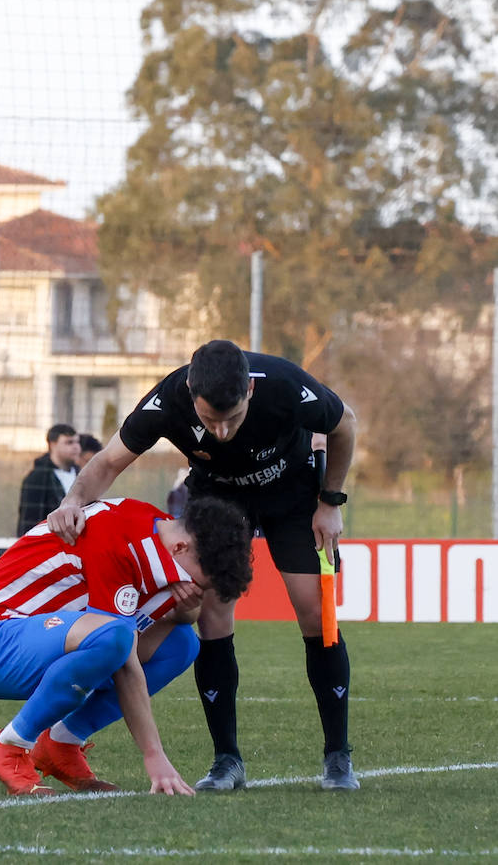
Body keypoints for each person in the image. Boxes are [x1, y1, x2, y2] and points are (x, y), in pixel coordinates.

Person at [48, 339, 361, 791]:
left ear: (250, 391)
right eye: (210, 419)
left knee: (316, 614)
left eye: (231, 418)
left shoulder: (285, 384)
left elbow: (344, 423)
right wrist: (74, 501)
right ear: (191, 391)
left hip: (292, 494)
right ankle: (226, 762)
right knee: (212, 618)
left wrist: (330, 501)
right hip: (217, 498)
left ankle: (337, 758)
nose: (221, 431)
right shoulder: (168, 398)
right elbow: (110, 461)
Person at [0, 496, 252, 796]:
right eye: (195, 581)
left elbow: (183, 616)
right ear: (181, 548)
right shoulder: (120, 540)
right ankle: (9, 745)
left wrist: (186, 603)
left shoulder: (164, 535)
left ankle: (62, 742)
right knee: (113, 637)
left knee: (181, 646)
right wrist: (154, 755)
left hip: (44, 638)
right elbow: (121, 652)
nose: (194, 588)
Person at [15, 424, 81, 536]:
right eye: (69, 442)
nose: (76, 447)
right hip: (50, 545)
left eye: (77, 442)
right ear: (53, 445)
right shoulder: (37, 478)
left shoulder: (81, 474)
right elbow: (29, 522)